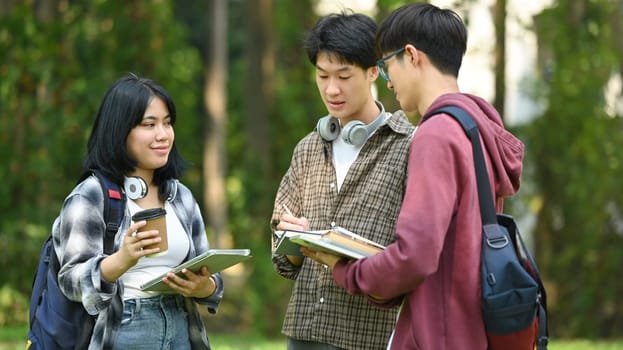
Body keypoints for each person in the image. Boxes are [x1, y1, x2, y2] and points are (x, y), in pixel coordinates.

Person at [304, 3, 525, 350]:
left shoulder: (436, 133)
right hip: (474, 328)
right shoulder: (475, 127)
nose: (388, 81)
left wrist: (346, 270)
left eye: (386, 65)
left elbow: (415, 255)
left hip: (437, 333)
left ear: (411, 55)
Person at [270, 10, 416, 350]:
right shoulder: (308, 149)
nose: (331, 89)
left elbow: (415, 250)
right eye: (322, 76)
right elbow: (282, 261)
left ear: (372, 71)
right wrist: (292, 238)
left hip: (369, 335)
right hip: (304, 331)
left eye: (343, 76)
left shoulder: (409, 145)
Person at [54, 73, 223, 349]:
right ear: (120, 131)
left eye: (167, 123)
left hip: (181, 327)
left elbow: (209, 273)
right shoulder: (91, 195)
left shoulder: (180, 196)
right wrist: (122, 259)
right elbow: (71, 282)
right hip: (124, 328)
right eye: (149, 124)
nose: (163, 135)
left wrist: (205, 287)